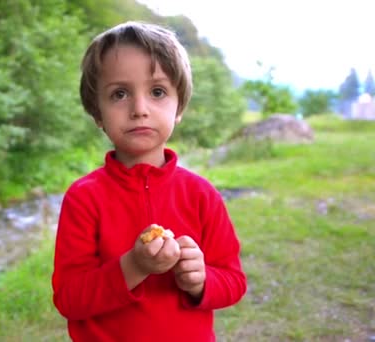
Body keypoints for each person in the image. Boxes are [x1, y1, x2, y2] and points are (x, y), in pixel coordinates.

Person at [51, 21, 247, 341]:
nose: (139, 109)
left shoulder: (201, 195)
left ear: (178, 106)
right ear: (97, 113)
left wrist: (201, 281)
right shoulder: (84, 198)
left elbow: (234, 282)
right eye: (119, 94)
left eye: (157, 92)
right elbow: (69, 299)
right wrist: (133, 266)